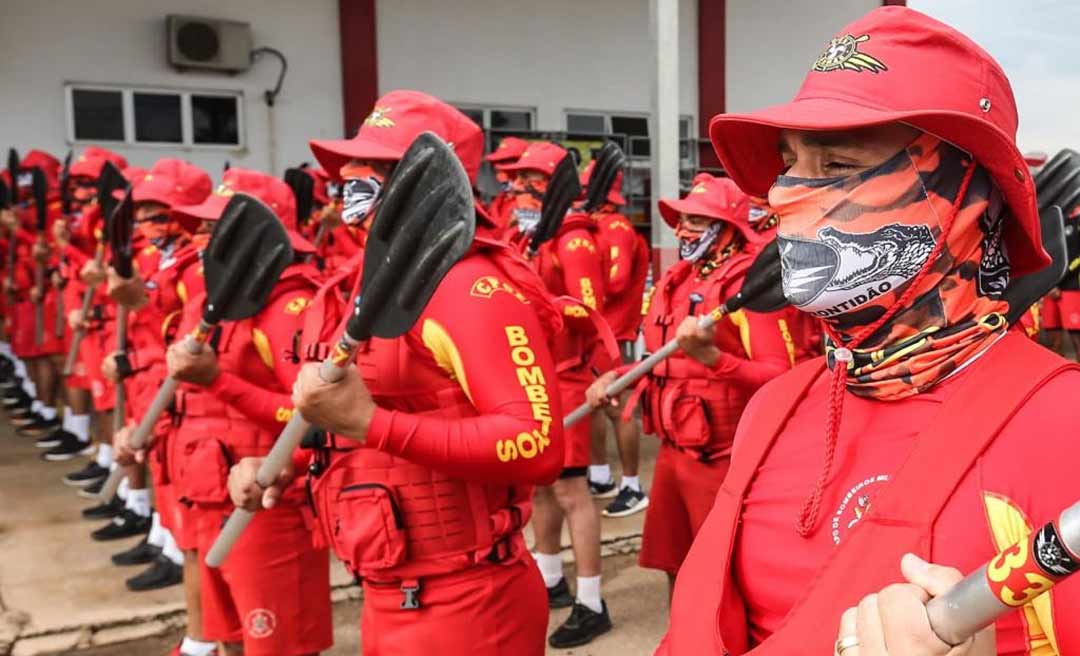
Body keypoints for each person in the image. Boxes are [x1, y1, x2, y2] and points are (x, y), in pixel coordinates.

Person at [658, 6, 1080, 656]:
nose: (784, 197)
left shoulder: (1061, 425)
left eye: (835, 166)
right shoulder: (775, 406)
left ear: (966, 197)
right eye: (790, 164)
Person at [227, 90, 566, 656]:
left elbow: (537, 445)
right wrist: (287, 465)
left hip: (468, 604)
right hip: (388, 593)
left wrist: (368, 423)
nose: (352, 178)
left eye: (378, 168)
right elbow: (370, 435)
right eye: (352, 165)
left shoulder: (468, 288)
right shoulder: (364, 283)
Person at [587, 173, 794, 597]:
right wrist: (622, 376)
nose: (682, 230)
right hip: (672, 453)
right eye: (682, 220)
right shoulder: (678, 278)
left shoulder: (746, 287)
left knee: (719, 579)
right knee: (674, 564)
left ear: (725, 230)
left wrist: (713, 359)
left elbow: (782, 379)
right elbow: (662, 358)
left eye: (697, 222)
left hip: (723, 461)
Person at [502, 141, 616, 647]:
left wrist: (532, 307)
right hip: (533, 378)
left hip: (567, 378)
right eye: (515, 180)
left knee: (572, 491)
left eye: (529, 181)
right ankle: (550, 578)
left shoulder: (572, 241)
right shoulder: (530, 235)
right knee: (540, 486)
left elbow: (591, 309)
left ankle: (592, 601)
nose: (517, 189)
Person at [579, 159, 652, 517]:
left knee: (620, 408)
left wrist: (581, 281)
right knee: (592, 404)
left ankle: (632, 485)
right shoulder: (593, 226)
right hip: (591, 332)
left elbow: (618, 280)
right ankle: (600, 475)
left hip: (614, 332)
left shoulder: (617, 226)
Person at [484, 135, 529, 233]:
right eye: (496, 163)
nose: (498, 168)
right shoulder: (501, 199)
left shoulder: (530, 203)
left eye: (505, 163)